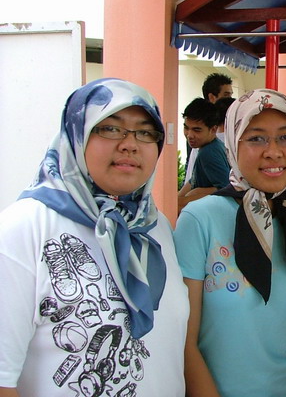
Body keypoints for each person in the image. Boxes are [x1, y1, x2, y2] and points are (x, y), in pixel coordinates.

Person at [0, 78, 189, 396]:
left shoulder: (154, 228)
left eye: (145, 132)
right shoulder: (25, 228)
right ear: (76, 134)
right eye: (110, 128)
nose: (130, 144)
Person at [173, 89, 286, 397]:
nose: (273, 151)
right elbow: (183, 341)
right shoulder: (200, 219)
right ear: (232, 143)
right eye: (256, 138)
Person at [178, 97, 231, 212]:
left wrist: (193, 195)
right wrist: (178, 199)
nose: (189, 135)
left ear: (213, 129)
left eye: (197, 130)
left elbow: (226, 189)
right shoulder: (211, 146)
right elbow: (193, 180)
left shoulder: (209, 153)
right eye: (186, 128)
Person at [185, 72, 234, 181]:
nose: (190, 135)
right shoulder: (202, 145)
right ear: (211, 97)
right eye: (226, 95)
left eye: (196, 130)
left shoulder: (214, 146)